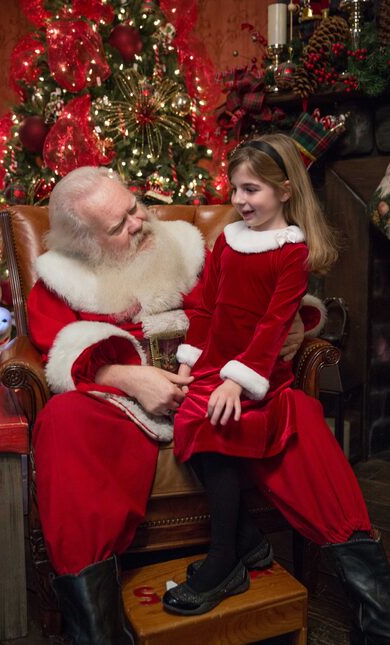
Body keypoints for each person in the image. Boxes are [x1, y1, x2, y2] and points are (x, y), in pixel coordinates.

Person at [27, 165, 330, 644]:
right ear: (84, 243)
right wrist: (126, 376)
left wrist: (291, 323)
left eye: (134, 207)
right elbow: (52, 348)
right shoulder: (60, 280)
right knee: (61, 422)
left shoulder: (187, 247)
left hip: (211, 379)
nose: (139, 223)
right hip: (119, 398)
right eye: (118, 226)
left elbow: (255, 292)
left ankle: (249, 547)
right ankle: (97, 630)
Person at [163, 134, 390, 645]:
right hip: (212, 368)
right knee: (188, 418)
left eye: (254, 190)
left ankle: (226, 558)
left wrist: (237, 382)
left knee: (217, 424)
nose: (242, 200)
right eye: (236, 188)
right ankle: (248, 540)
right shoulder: (227, 240)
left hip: (255, 375)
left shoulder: (290, 252)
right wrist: (190, 361)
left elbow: (272, 327)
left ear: (285, 190)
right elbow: (204, 304)